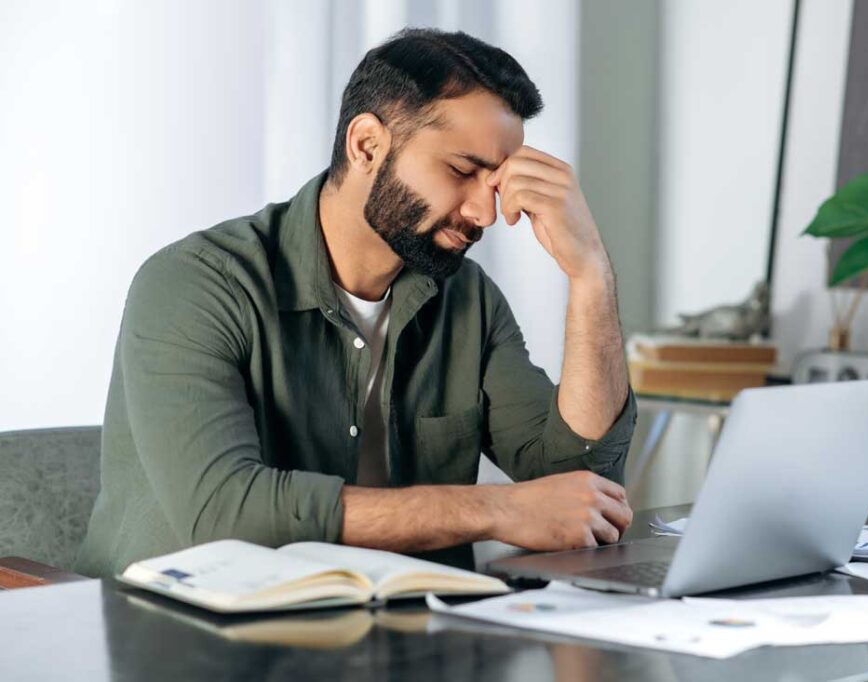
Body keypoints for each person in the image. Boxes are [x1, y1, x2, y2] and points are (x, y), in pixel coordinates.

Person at [75, 28, 636, 577]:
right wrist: (494, 510)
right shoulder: (194, 284)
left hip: (399, 639)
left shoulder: (466, 299)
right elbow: (225, 511)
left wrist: (589, 275)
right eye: (462, 171)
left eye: (495, 184)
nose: (486, 214)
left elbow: (579, 481)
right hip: (186, 643)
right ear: (367, 144)